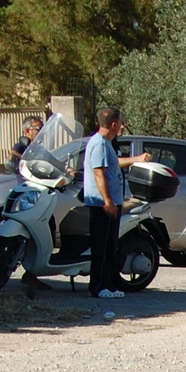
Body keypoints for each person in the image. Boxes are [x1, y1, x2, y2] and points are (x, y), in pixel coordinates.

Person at [82, 107, 150, 301]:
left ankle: (108, 284)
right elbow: (99, 173)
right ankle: (98, 286)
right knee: (102, 247)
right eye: (120, 122)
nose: (122, 126)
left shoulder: (107, 144)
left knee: (110, 246)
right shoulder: (100, 144)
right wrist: (108, 201)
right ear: (113, 124)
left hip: (111, 202)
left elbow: (112, 166)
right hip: (102, 204)